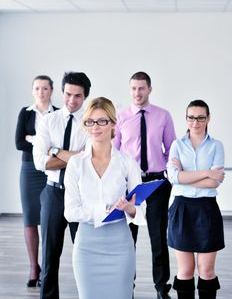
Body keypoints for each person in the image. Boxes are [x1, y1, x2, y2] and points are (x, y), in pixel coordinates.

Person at [64, 97, 146, 299]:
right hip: (86, 247)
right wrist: (104, 210)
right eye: (90, 121)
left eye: (102, 121)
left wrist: (129, 208)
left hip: (120, 246)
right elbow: (70, 212)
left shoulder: (127, 163)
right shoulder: (76, 164)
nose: (95, 127)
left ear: (113, 124)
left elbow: (142, 209)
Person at [114, 71, 176, 299]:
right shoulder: (120, 117)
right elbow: (115, 152)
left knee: (158, 236)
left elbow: (171, 149)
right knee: (127, 238)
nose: (137, 93)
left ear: (150, 89)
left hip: (156, 182)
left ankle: (161, 288)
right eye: (133, 88)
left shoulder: (163, 116)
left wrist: (168, 177)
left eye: (141, 88)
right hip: (130, 184)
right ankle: (126, 286)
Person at [33, 71, 91, 299]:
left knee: (83, 254)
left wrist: (55, 151)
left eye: (77, 96)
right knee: (49, 256)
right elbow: (40, 162)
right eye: (68, 94)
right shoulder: (49, 121)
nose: (71, 100)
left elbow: (87, 161)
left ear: (85, 96)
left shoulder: (90, 124)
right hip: (53, 193)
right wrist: (73, 156)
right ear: (62, 92)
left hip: (81, 196)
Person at [167, 99, 225, 299]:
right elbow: (174, 178)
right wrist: (207, 173)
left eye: (201, 117)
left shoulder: (217, 146)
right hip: (181, 208)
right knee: (185, 271)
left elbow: (214, 183)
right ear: (186, 119)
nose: (196, 122)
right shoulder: (176, 145)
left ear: (208, 118)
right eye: (191, 117)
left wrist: (185, 175)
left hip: (207, 209)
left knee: (206, 271)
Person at [15, 75, 58, 287]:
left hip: (51, 169)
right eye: (37, 88)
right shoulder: (26, 113)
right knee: (30, 218)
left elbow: (58, 143)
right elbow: (18, 143)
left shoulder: (58, 113)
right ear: (33, 91)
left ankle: (47, 266)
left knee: (48, 218)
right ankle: (34, 267)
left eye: (45, 88)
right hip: (30, 170)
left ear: (51, 90)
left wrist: (32, 140)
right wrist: (42, 144)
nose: (41, 92)